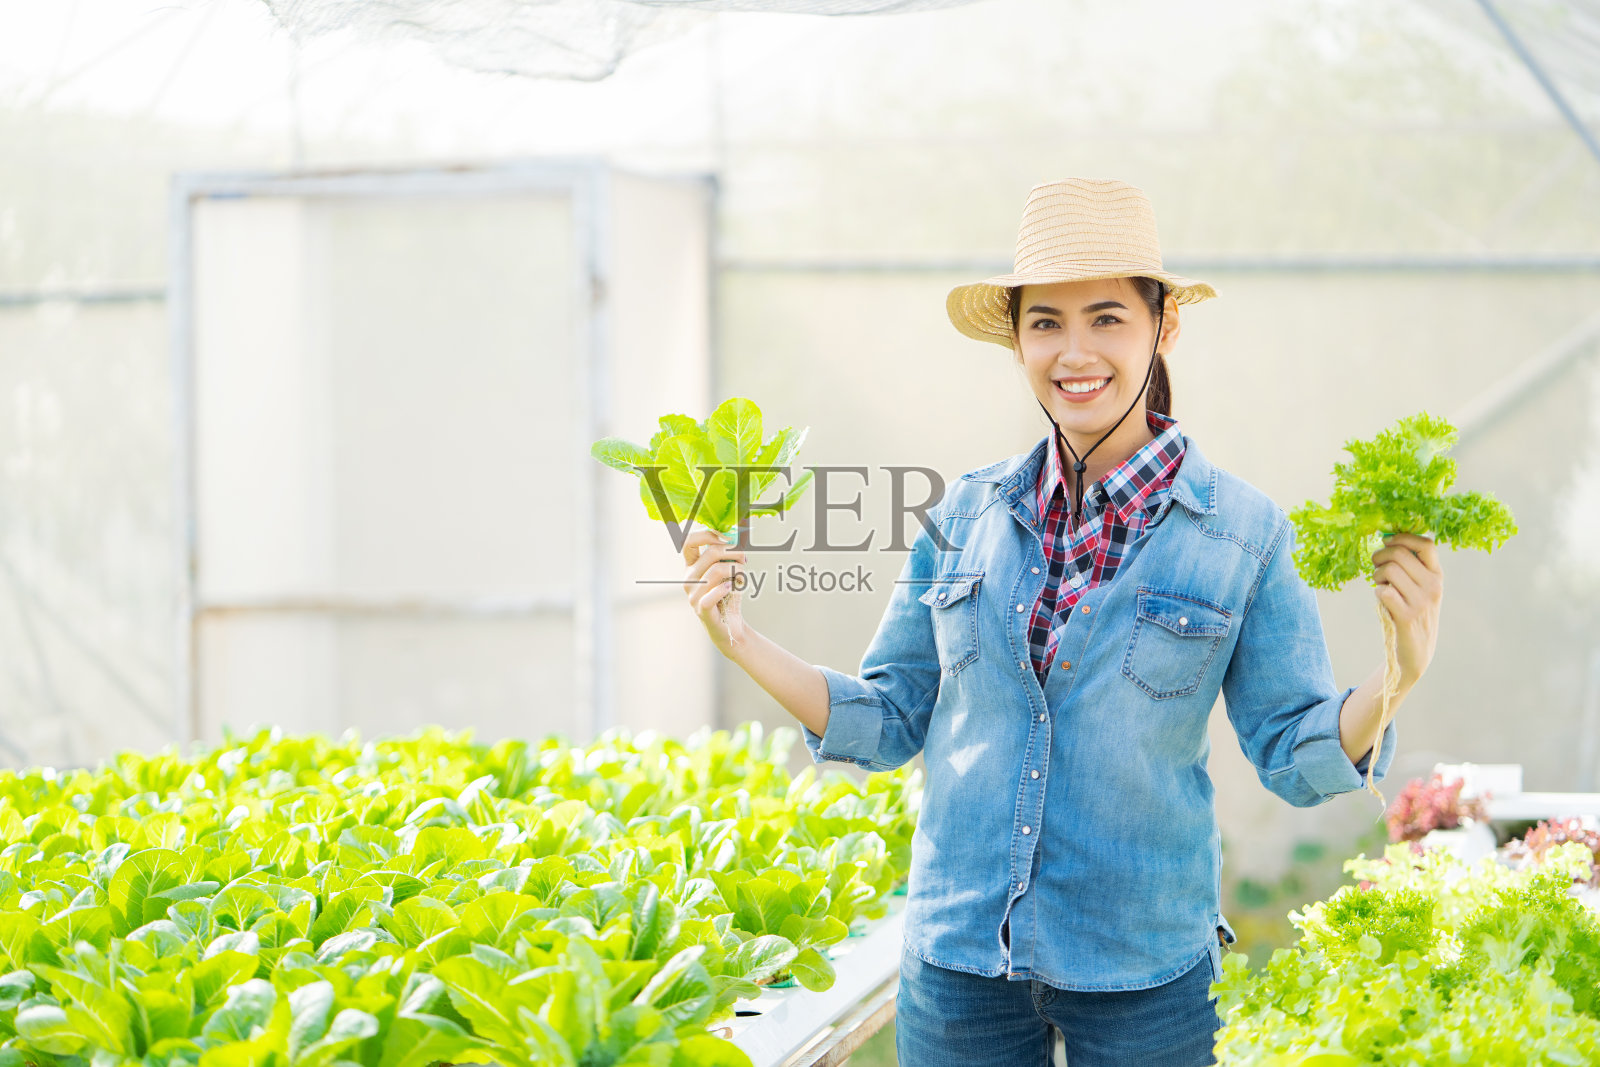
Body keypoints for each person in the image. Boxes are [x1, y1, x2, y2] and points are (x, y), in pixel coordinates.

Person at [678, 177, 1445, 1066]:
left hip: (1145, 975)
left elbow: (1293, 752)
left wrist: (1398, 678)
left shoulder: (1242, 533)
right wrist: (738, 635)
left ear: (1164, 327)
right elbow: (890, 720)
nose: (1074, 351)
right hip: (959, 962)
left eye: (1107, 317)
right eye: (1045, 322)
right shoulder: (963, 513)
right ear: (1017, 341)